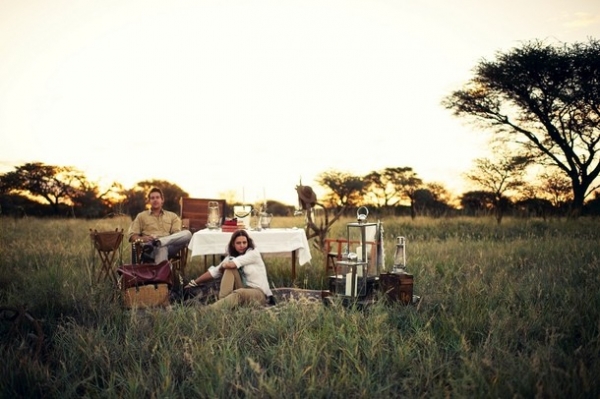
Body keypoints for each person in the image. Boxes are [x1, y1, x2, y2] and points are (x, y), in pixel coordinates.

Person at [185, 229, 274, 309]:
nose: (242, 245)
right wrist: (193, 283)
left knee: (239, 290)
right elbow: (214, 272)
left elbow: (230, 265)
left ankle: (208, 310)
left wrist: (223, 266)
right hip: (242, 288)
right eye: (238, 243)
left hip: (259, 292)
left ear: (248, 243)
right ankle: (223, 302)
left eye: (244, 242)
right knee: (229, 270)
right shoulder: (231, 258)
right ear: (233, 244)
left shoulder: (253, 253)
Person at [128, 187, 192, 263]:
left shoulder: (172, 216)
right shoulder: (141, 216)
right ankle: (161, 272)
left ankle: (159, 242)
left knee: (188, 233)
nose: (155, 200)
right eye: (152, 198)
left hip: (169, 247)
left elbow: (176, 234)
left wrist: (163, 240)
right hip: (150, 248)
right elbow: (132, 237)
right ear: (149, 201)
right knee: (162, 248)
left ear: (162, 200)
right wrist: (143, 239)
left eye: (157, 197)